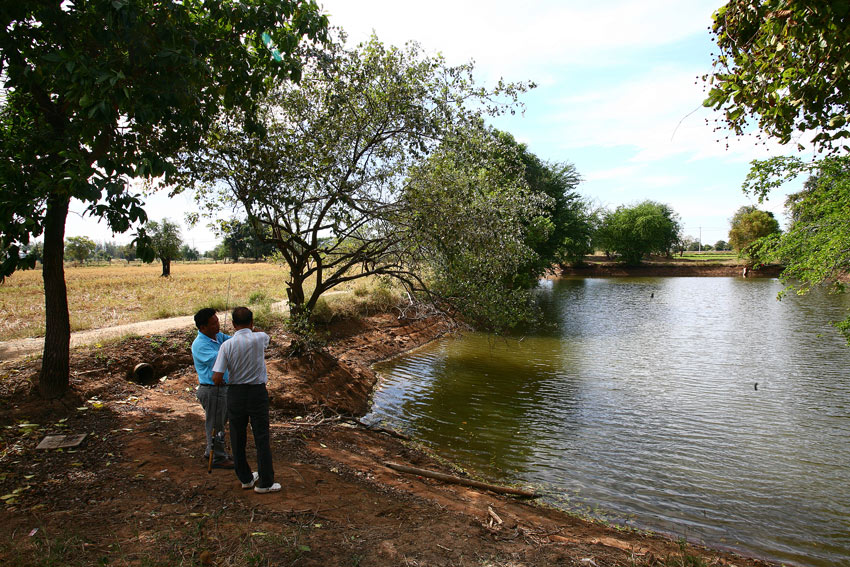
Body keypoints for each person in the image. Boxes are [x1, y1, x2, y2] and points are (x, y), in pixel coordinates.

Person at [212, 306, 280, 493]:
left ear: (233, 325)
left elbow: (217, 377)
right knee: (261, 437)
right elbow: (267, 337)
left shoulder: (226, 345)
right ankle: (265, 482)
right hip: (257, 393)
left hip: (235, 394)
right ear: (252, 322)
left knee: (237, 436)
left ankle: (246, 478)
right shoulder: (260, 338)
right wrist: (252, 330)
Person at [192, 308, 234, 469]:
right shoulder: (200, 345)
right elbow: (221, 360)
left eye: (217, 321)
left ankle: (212, 450)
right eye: (213, 323)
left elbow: (232, 343)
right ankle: (218, 457)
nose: (217, 325)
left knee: (220, 422)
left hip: (223, 389)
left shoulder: (218, 337)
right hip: (212, 390)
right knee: (215, 425)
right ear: (203, 328)